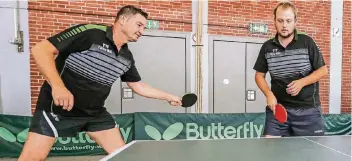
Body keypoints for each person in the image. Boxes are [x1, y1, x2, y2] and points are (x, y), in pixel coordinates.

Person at [19, 5, 182, 161]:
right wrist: (58, 86)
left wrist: (168, 96)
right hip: (57, 109)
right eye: (139, 25)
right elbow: (40, 49)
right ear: (123, 20)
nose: (142, 31)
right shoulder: (91, 33)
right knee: (33, 158)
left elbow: (138, 85)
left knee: (122, 156)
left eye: (144, 28)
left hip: (94, 113)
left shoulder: (126, 56)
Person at [253, 1, 328, 137]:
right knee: (270, 150)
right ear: (274, 21)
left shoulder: (307, 42)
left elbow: (323, 71)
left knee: (312, 155)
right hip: (278, 109)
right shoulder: (267, 47)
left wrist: (301, 82)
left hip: (308, 111)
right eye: (280, 20)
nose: (284, 25)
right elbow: (259, 75)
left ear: (295, 21)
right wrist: (269, 94)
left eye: (288, 20)